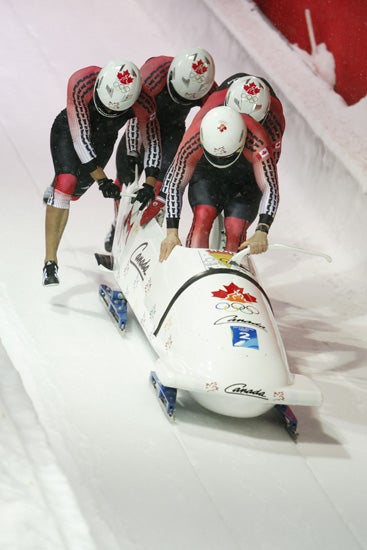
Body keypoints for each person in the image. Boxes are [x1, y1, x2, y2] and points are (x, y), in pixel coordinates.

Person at [141, 74, 285, 261]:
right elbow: (176, 180)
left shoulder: (263, 137)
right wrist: (171, 232)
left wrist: (261, 230)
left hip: (247, 170)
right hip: (207, 168)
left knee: (236, 229)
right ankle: (194, 264)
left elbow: (270, 186)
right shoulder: (198, 131)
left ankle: (231, 261)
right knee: (203, 215)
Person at [42, 60, 161, 286]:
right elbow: (81, 140)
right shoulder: (81, 83)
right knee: (66, 183)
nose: (108, 112)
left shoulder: (145, 102)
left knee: (74, 194)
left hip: (104, 140)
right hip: (70, 130)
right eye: (104, 106)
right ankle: (50, 261)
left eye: (115, 111)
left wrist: (149, 181)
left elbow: (153, 142)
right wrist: (102, 180)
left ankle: (58, 186)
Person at [103, 48, 217, 252]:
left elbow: (216, 120)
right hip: (141, 126)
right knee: (126, 176)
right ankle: (118, 224)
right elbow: (134, 116)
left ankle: (145, 229)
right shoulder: (151, 77)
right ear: (172, 77)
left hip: (173, 130)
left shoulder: (208, 88)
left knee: (161, 183)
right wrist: (132, 153)